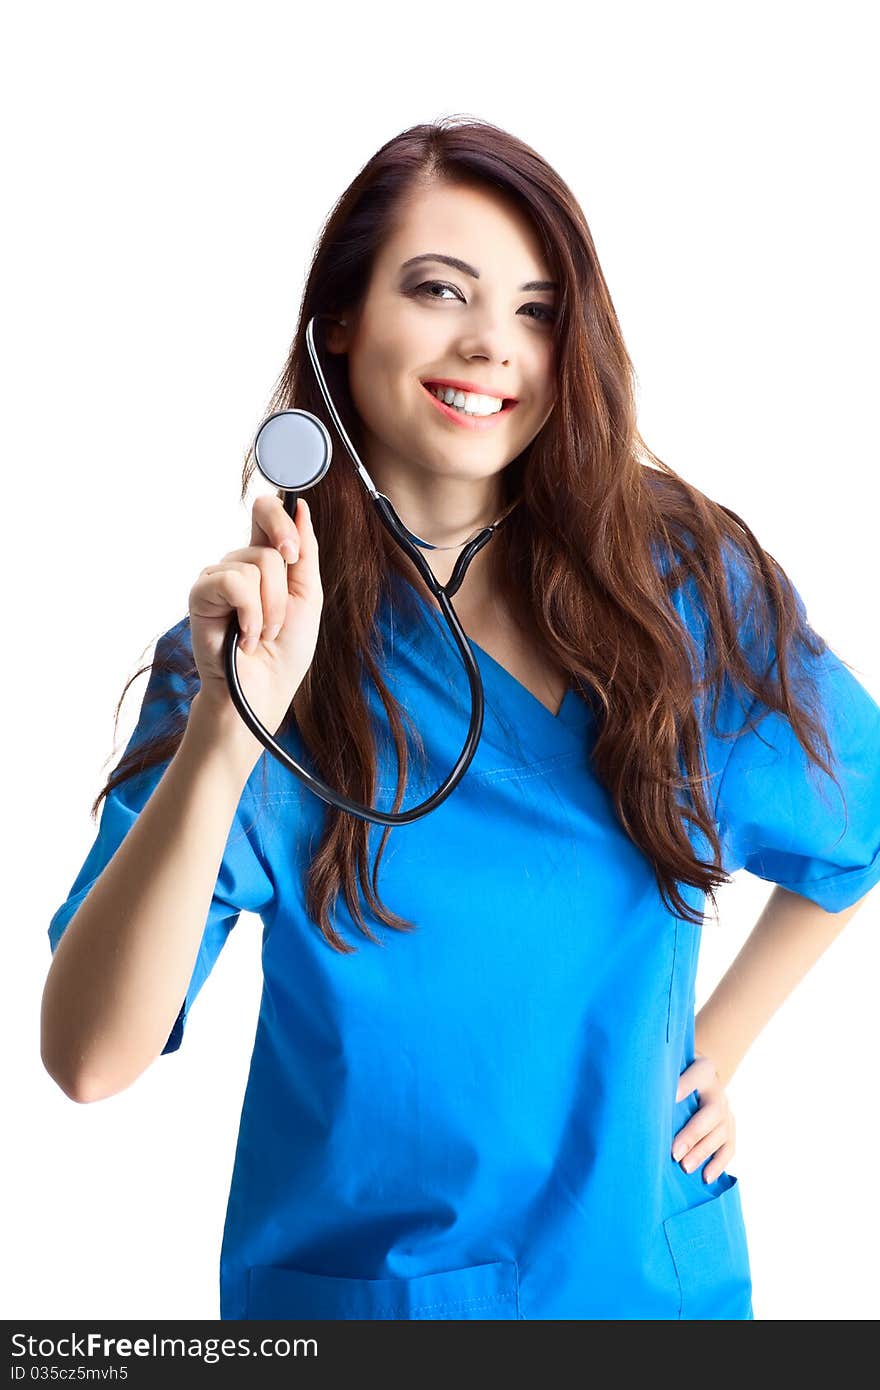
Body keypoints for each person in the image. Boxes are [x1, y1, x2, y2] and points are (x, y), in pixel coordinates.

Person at [41, 116, 880, 1321]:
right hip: (376, 1304)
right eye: (440, 291)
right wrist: (229, 738)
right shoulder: (252, 651)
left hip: (645, 1286)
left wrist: (709, 1052)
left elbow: (850, 820)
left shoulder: (676, 586)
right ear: (341, 324)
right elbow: (90, 1055)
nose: (492, 345)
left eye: (538, 311)